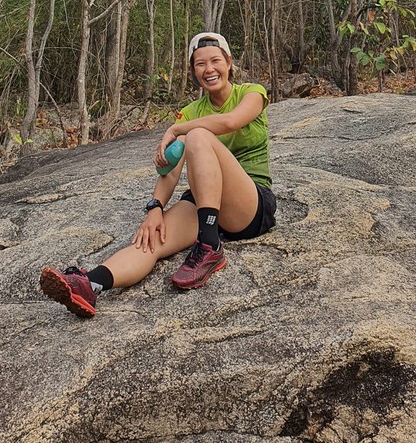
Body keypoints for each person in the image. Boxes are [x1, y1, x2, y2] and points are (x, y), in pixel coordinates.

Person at [39, 32, 276, 317]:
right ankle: (90, 285)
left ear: (229, 63)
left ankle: (209, 246)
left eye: (215, 61)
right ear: (193, 72)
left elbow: (230, 121)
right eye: (200, 64)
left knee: (198, 136)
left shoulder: (252, 93)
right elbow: (171, 170)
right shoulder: (189, 112)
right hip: (204, 200)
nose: (209, 69)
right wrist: (155, 209)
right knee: (151, 239)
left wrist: (177, 130)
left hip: (249, 203)